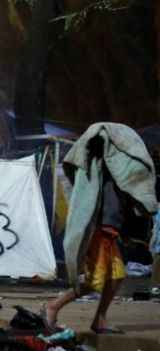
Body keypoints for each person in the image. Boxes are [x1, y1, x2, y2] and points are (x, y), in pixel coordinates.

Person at [41, 124, 157, 334]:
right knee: (97, 279)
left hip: (108, 230)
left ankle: (99, 320)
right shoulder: (102, 169)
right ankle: (53, 306)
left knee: (116, 277)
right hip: (99, 230)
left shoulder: (120, 173)